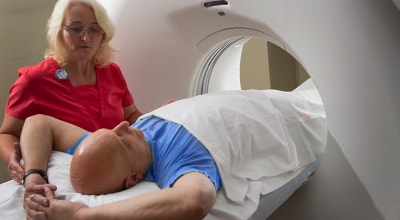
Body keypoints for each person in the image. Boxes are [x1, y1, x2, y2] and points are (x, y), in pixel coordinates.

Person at [21, 88, 327, 220]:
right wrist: (82, 215)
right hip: (293, 116)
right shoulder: (178, 162)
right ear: (134, 179)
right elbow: (194, 201)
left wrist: (33, 175)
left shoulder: (111, 144)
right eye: (123, 142)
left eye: (113, 130)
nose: (125, 126)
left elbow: (38, 122)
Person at [0, 0, 143, 184]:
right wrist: (14, 159)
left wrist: (159, 120)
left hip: (116, 171)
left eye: (94, 30)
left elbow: (130, 114)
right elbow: (6, 133)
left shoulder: (111, 71)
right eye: (76, 29)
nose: (85, 38)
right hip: (68, 176)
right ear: (59, 31)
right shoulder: (33, 80)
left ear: (103, 34)